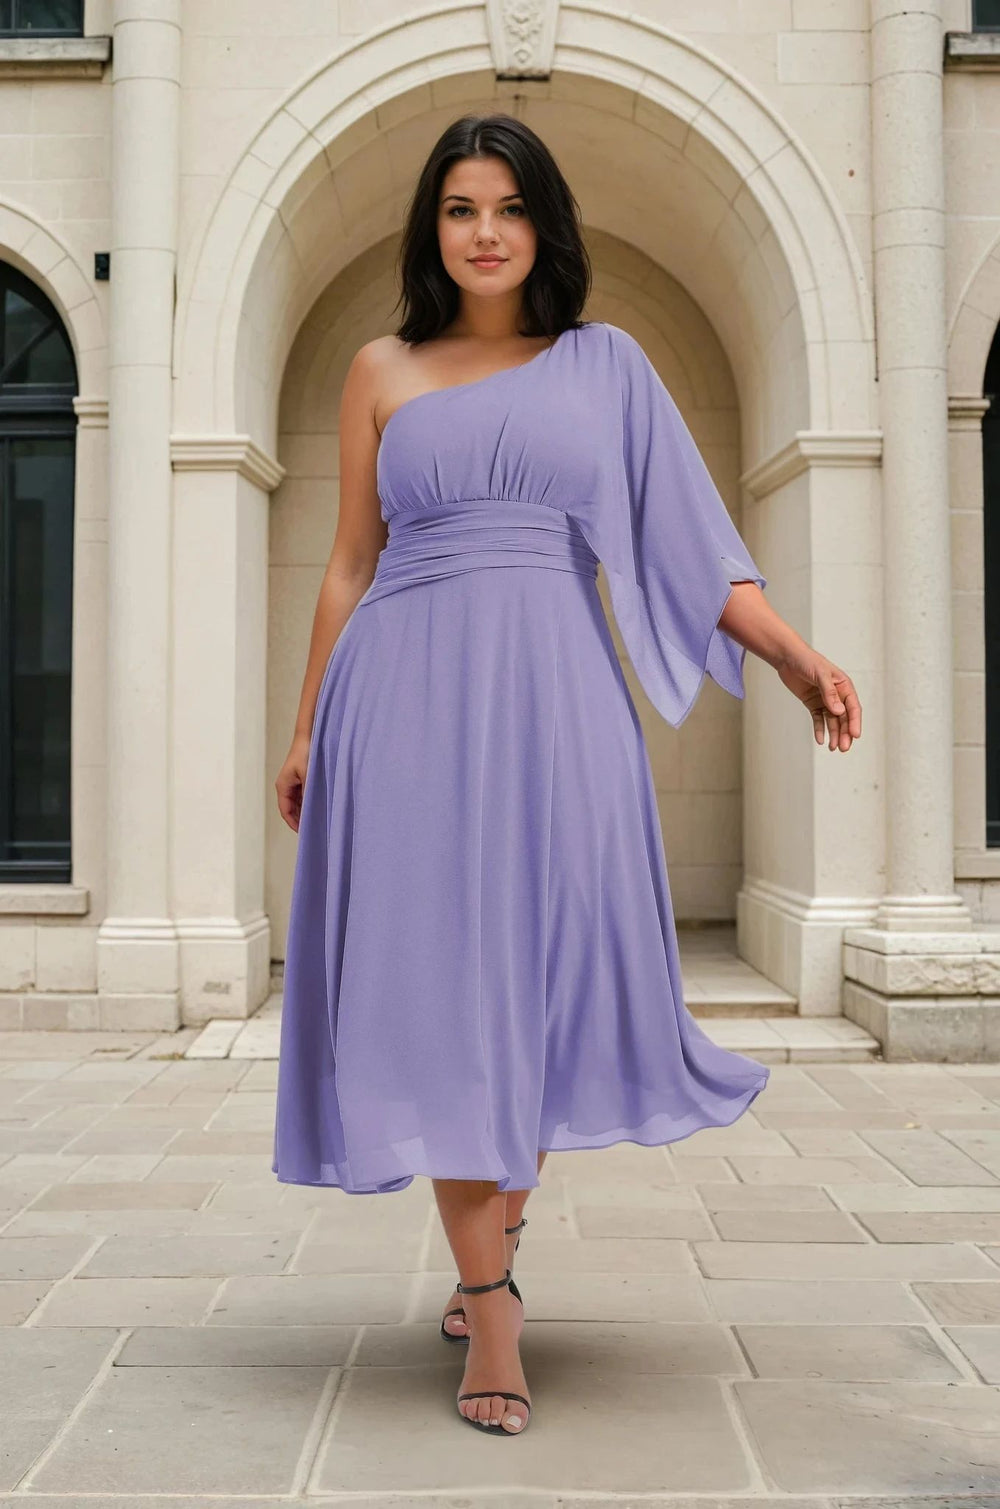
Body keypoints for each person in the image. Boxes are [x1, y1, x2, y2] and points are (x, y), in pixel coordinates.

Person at [271, 113, 862, 1439]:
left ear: (545, 224)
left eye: (508, 206)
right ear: (433, 229)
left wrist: (796, 658)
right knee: (435, 999)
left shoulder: (608, 367)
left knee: (532, 991)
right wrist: (309, 722)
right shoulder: (379, 367)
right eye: (458, 208)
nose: (483, 231)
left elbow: (696, 545)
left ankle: (488, 1250)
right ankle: (493, 1305)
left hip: (556, 706)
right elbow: (349, 559)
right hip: (404, 704)